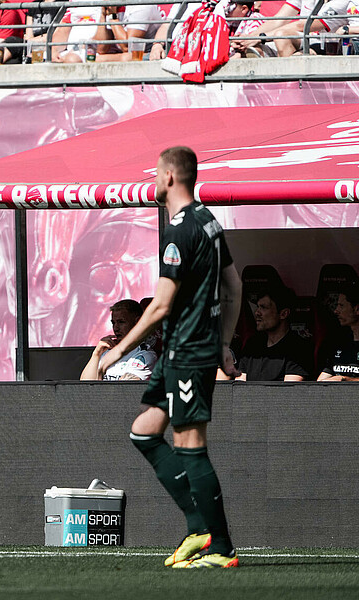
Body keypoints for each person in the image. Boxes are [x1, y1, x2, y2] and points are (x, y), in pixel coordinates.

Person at [98, 146, 242, 569]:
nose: (154, 180)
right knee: (144, 432)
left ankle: (223, 548)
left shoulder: (180, 230)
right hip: (187, 351)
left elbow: (160, 305)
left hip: (187, 352)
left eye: (157, 173)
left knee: (190, 443)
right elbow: (235, 287)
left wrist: (119, 349)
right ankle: (199, 525)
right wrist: (226, 344)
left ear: (170, 178)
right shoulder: (211, 223)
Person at [224, 284, 313, 381]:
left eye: (263, 307)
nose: (257, 312)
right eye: (258, 307)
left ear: (284, 314)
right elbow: (239, 387)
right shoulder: (252, 345)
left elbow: (289, 392)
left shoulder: (299, 348)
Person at [80, 299, 157, 381]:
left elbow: (123, 389)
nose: (116, 328)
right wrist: (96, 354)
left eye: (121, 322)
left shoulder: (144, 355)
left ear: (137, 322)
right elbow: (85, 386)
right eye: (113, 323)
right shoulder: (106, 352)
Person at [317, 284, 359, 381]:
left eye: (341, 306)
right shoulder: (339, 343)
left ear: (357, 309)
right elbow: (320, 382)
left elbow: (339, 379)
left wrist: (345, 380)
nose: (336, 311)